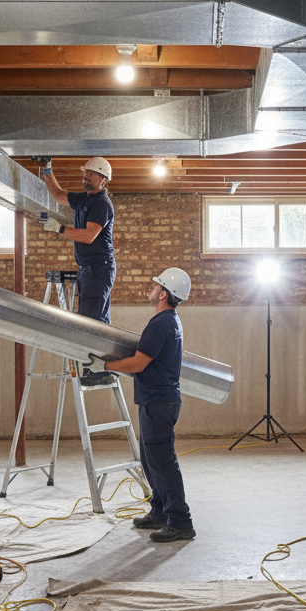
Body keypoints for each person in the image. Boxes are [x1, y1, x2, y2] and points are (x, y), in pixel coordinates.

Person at [102, 268, 194, 543]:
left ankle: (180, 521)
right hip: (156, 401)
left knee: (163, 463)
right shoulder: (169, 320)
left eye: (156, 285)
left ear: (163, 294)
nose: (151, 288)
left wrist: (106, 366)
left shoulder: (161, 324)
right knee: (151, 461)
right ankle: (160, 512)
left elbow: (138, 363)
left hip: (159, 402)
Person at [40, 156, 116, 384]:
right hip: (89, 269)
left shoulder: (101, 204)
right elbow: (58, 194)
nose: (86, 176)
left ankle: (98, 371)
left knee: (91, 322)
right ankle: (100, 369)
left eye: (91, 173)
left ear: (102, 179)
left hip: (99, 268)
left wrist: (60, 229)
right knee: (96, 319)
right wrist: (46, 170)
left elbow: (89, 235)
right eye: (86, 172)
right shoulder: (84, 199)